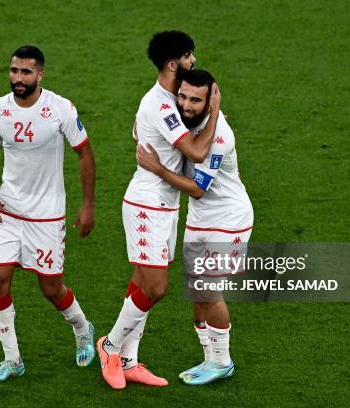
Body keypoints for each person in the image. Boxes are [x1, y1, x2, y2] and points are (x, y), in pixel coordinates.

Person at [96, 31, 221, 390]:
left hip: (167, 205)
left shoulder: (169, 100)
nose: (193, 60)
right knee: (156, 286)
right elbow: (196, 153)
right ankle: (111, 346)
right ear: (172, 64)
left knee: (141, 283)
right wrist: (213, 110)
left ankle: (130, 362)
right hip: (146, 204)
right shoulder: (162, 105)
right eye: (188, 55)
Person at [0, 45, 96, 382]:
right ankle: (12, 360)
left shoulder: (60, 109)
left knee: (51, 289)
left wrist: (88, 205)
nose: (18, 78)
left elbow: (85, 155)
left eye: (25, 72)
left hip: (46, 216)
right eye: (14, 71)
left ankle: (82, 328)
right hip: (8, 210)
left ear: (40, 74)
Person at [136, 69, 254, 385]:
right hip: (200, 217)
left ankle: (223, 361)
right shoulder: (179, 115)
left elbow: (197, 188)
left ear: (210, 100)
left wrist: (157, 168)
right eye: (183, 96)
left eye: (195, 100)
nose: (186, 105)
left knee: (209, 291)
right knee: (197, 290)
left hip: (228, 218)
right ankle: (209, 358)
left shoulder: (220, 136)